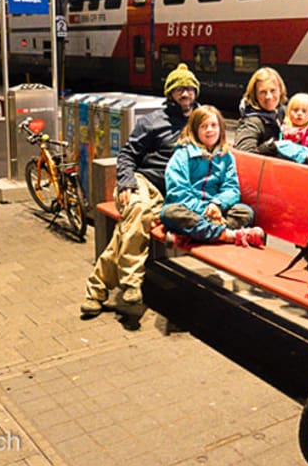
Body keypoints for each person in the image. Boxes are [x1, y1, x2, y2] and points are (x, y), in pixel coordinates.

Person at [80, 63, 200, 316]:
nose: (185, 94)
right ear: (170, 94)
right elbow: (127, 155)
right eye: (179, 89)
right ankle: (132, 283)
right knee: (137, 208)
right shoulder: (152, 121)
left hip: (174, 192)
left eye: (189, 88)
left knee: (132, 224)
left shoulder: (202, 121)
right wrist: (126, 182)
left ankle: (97, 290)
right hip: (143, 182)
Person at [160, 106, 266, 247]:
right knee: (170, 213)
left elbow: (232, 188)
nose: (209, 130)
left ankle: (189, 235)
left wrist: (217, 204)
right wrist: (206, 211)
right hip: (190, 209)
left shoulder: (226, 157)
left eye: (214, 125)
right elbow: (178, 192)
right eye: (204, 126)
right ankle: (229, 235)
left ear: (221, 128)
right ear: (195, 130)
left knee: (245, 212)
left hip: (215, 209)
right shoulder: (182, 155)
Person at [233, 67, 308, 164]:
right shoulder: (251, 123)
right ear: (255, 95)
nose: (269, 96)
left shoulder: (285, 113)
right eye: (263, 92)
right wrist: (271, 147)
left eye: (273, 90)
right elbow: (244, 156)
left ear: (280, 90)